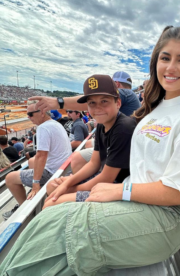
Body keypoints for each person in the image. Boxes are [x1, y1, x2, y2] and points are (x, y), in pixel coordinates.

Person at [0, 26, 180, 276]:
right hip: (138, 202)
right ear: (156, 62)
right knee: (45, 222)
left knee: (54, 231)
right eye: (165, 58)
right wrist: (58, 103)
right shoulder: (157, 109)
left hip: (165, 217)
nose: (171, 67)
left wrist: (119, 189)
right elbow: (99, 103)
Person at [44, 74, 137, 207]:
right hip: (106, 181)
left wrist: (70, 189)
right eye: (92, 103)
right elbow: (94, 163)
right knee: (52, 186)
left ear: (118, 103)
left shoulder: (124, 127)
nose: (98, 108)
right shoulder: (102, 124)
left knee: (50, 203)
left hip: (118, 187)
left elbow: (108, 178)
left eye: (104, 101)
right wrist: (68, 183)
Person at [1, 101, 72, 220]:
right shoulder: (55, 124)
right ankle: (30, 198)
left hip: (53, 172)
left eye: (31, 114)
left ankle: (24, 209)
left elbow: (41, 155)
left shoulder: (43, 127)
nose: (28, 117)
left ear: (42, 112)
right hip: (63, 168)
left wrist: (35, 184)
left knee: (9, 178)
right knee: (31, 161)